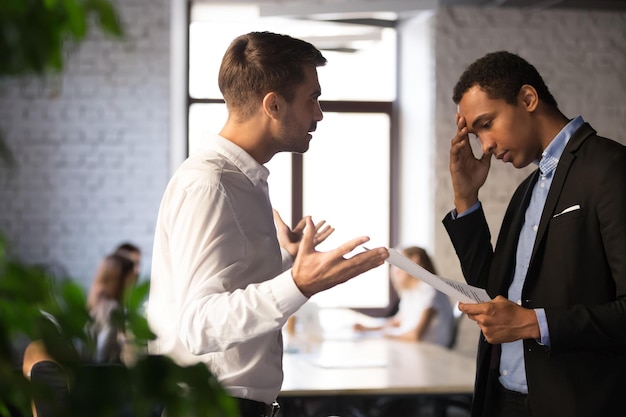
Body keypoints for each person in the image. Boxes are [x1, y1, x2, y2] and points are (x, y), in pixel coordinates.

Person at [146, 31, 388, 417]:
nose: (319, 114)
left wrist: (284, 261)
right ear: (273, 105)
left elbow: (231, 289)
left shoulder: (243, 181)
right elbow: (198, 325)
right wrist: (297, 283)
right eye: (313, 98)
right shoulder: (211, 183)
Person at [442, 50, 626, 417]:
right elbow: (493, 292)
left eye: (487, 123)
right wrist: (466, 198)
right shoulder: (527, 190)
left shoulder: (610, 169)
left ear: (528, 99)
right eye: (477, 134)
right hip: (505, 401)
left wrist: (532, 323)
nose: (487, 147)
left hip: (576, 404)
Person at [353, 246, 454, 347]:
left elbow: (415, 335)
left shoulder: (430, 289)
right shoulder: (411, 291)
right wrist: (367, 329)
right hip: (412, 348)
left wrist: (383, 335)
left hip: (430, 352)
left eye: (398, 264)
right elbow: (398, 321)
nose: (395, 271)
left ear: (415, 260)